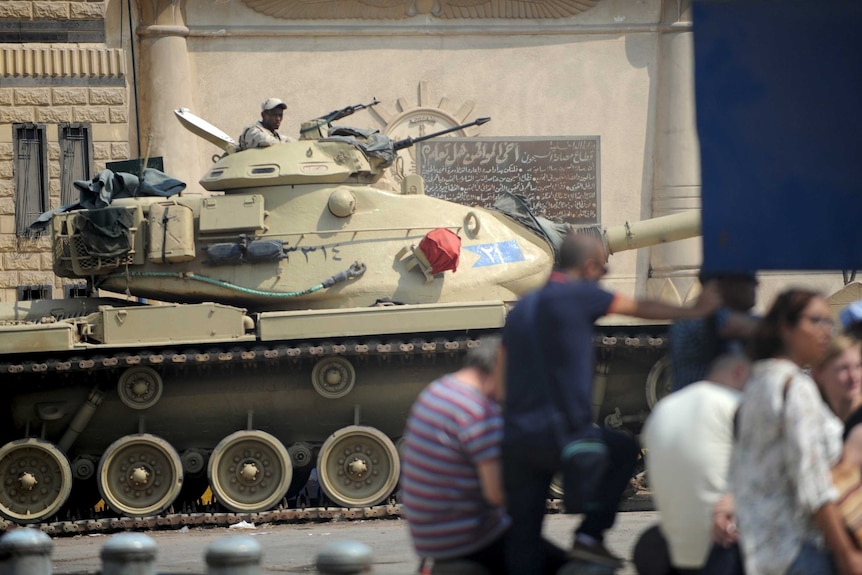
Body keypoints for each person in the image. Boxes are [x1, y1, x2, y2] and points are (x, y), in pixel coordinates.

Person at [500, 232, 720, 574]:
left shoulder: (522, 308)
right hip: (562, 435)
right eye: (604, 269)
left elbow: (501, 376)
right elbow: (639, 307)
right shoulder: (578, 294)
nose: (603, 276)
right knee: (623, 449)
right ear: (589, 267)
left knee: (524, 536)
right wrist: (694, 310)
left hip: (517, 439)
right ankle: (589, 535)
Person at [400, 336, 567, 575]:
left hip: (431, 539)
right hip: (469, 540)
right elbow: (496, 494)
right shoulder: (479, 411)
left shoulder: (438, 390)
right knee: (567, 565)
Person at [731, 288, 862, 575]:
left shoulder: (758, 382)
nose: (826, 331)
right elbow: (813, 485)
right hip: (801, 549)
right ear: (786, 327)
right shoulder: (796, 388)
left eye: (829, 322)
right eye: (816, 321)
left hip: (763, 550)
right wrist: (847, 555)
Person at [635, 354, 751, 575]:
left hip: (675, 556)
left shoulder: (663, 409)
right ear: (739, 372)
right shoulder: (734, 404)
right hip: (724, 550)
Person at [669, 270, 759, 391]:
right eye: (749, 280)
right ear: (724, 285)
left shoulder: (746, 317)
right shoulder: (694, 320)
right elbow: (736, 325)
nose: (757, 285)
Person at [813, 334, 862, 422]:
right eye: (844, 368)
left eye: (858, 366)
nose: (853, 375)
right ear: (819, 374)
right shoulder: (814, 418)